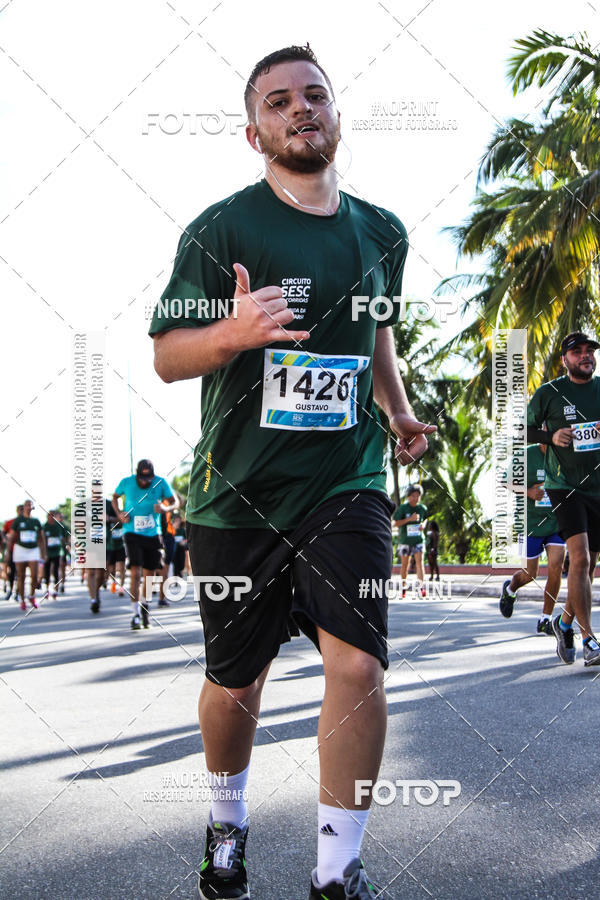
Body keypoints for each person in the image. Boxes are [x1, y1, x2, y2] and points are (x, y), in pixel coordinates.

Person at [150, 44, 435, 900]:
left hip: (345, 481)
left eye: (314, 94)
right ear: (254, 134)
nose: (300, 108)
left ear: (337, 114)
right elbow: (168, 355)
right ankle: (225, 824)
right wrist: (231, 335)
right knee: (236, 684)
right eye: (277, 101)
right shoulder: (222, 230)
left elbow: (377, 333)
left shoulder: (382, 231)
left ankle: (336, 871)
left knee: (359, 667)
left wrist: (396, 409)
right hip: (238, 494)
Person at [527, 331, 600, 666]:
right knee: (580, 559)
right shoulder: (549, 393)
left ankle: (564, 622)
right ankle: (589, 641)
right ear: (564, 360)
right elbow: (522, 430)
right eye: (577, 352)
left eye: (589, 351)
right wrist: (551, 435)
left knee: (589, 567)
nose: (585, 356)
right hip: (564, 487)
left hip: (597, 487)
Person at [499, 442, 566, 633]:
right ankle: (510, 589)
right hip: (529, 522)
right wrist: (528, 492)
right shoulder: (526, 455)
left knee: (556, 566)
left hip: (556, 521)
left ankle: (546, 619)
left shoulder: (564, 455)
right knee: (530, 573)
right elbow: (506, 481)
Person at [112, 459, 177, 630]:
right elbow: (115, 497)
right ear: (137, 474)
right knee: (135, 572)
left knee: (150, 574)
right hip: (131, 532)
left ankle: (145, 607)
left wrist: (165, 509)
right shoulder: (126, 482)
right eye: (142, 479)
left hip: (153, 534)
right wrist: (119, 514)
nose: (144, 482)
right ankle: (135, 614)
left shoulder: (160, 483)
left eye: (148, 480)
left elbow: (175, 502)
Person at [8, 499, 45, 610]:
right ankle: (22, 600)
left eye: (30, 505)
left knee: (34, 575)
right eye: (27, 505)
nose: (29, 507)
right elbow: (11, 536)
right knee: (21, 575)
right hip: (20, 549)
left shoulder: (36, 521)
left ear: (33, 507)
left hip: (33, 549)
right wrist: (8, 552)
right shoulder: (18, 521)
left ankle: (32, 596)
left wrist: (44, 552)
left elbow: (41, 538)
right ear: (24, 507)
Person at [393, 485, 428, 598]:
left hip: (418, 540)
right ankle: (404, 587)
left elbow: (426, 519)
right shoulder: (403, 508)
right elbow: (396, 523)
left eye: (418, 496)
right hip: (405, 541)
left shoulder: (422, 508)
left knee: (420, 563)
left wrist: (423, 525)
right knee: (405, 565)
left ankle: (421, 587)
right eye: (413, 496)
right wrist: (409, 519)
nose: (415, 498)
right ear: (408, 496)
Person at [2, 504, 23, 600]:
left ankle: (18, 593)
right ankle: (10, 589)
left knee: (20, 573)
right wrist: (6, 539)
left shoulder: (30, 522)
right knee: (12, 571)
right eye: (20, 509)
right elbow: (3, 532)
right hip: (12, 550)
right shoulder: (10, 522)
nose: (21, 511)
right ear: (17, 511)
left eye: (22, 509)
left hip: (24, 551)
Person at [42, 510, 64, 599]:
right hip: (47, 552)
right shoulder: (44, 527)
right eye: (50, 515)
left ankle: (56, 589)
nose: (51, 517)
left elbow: (63, 537)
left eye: (53, 515)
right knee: (47, 571)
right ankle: (46, 589)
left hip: (57, 551)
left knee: (56, 570)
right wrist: (43, 552)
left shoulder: (59, 526)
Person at [106, 499, 126, 596]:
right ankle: (113, 583)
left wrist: (111, 518)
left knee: (122, 567)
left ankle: (122, 587)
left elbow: (122, 521)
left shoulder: (121, 513)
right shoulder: (107, 512)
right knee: (111, 568)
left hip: (121, 545)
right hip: (110, 545)